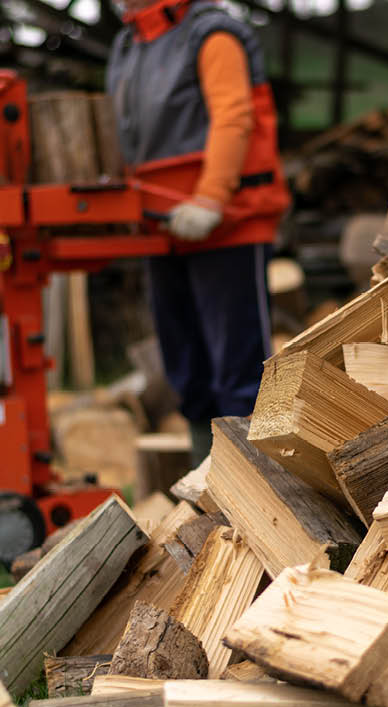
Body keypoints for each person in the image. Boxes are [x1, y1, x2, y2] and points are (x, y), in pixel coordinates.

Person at [108, 0, 290, 464]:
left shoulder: (212, 34)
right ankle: (205, 481)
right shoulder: (130, 43)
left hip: (227, 222)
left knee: (239, 375)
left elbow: (234, 117)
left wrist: (210, 197)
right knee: (185, 369)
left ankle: (258, 492)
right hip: (161, 227)